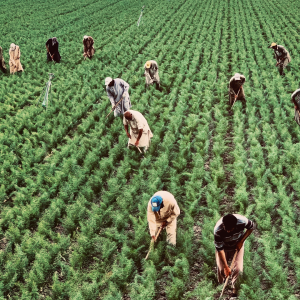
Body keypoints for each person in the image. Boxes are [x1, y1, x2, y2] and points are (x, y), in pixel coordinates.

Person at [214, 214, 255, 298]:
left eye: (231, 229)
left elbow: (252, 227)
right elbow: (220, 250)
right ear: (223, 225)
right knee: (222, 269)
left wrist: (241, 241)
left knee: (238, 269)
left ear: (235, 225)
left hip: (237, 245)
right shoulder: (218, 230)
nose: (228, 231)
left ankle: (234, 291)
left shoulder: (243, 221)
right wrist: (226, 266)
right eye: (226, 229)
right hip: (224, 248)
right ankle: (221, 283)